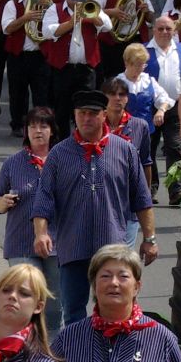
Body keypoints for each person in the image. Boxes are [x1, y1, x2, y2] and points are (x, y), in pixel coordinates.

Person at [33, 89, 157, 322]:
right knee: (72, 311)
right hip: (73, 246)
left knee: (116, 307)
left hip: (111, 247)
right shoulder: (59, 154)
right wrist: (41, 233)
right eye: (81, 113)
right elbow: (44, 198)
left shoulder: (126, 150)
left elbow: (142, 198)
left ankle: (115, 352)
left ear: (104, 115)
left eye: (92, 113)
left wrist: (149, 239)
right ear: (74, 116)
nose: (86, 119)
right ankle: (77, 355)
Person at [0, 109, 63, 333]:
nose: (38, 131)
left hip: (57, 243)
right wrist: (1, 203)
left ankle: (52, 350)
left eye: (43, 126)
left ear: (52, 131)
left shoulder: (63, 161)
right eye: (33, 126)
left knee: (53, 304)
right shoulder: (13, 163)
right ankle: (23, 345)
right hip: (21, 242)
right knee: (26, 297)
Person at [42, 0, 112, 144]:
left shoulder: (92, 7)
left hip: (86, 70)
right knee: (61, 111)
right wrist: (72, 21)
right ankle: (61, 147)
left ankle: (84, 144)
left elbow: (107, 25)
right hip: (62, 69)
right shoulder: (55, 9)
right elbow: (48, 32)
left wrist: (90, 11)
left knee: (86, 110)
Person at [119, 43, 175, 191]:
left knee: (147, 158)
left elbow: (164, 98)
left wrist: (161, 110)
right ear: (127, 63)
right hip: (123, 130)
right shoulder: (118, 82)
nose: (139, 69)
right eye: (136, 65)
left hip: (146, 129)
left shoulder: (149, 81)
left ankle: (150, 189)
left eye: (142, 65)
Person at [2, 0, 49, 137]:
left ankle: (41, 125)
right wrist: (25, 18)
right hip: (18, 55)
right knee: (18, 93)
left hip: (39, 55)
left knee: (41, 94)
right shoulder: (12, 4)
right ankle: (17, 124)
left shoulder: (43, 2)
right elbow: (7, 29)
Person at [147, 15, 181, 171]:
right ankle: (151, 188)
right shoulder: (144, 49)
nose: (165, 32)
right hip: (151, 108)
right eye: (160, 29)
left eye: (168, 29)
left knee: (175, 148)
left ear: (174, 31)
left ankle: (176, 191)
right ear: (154, 30)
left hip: (176, 107)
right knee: (149, 148)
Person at [103, 76, 154, 184]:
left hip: (131, 186)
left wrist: (147, 196)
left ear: (127, 98)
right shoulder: (96, 125)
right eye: (112, 94)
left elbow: (146, 162)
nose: (117, 98)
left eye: (122, 94)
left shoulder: (140, 126)